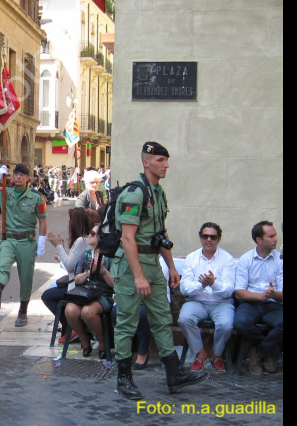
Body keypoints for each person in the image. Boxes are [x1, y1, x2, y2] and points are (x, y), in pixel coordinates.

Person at [112, 142, 206, 400]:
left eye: (166, 160)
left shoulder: (158, 193)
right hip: (131, 267)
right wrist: (139, 275)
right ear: (146, 162)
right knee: (127, 323)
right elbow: (128, 239)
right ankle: (124, 378)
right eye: (160, 160)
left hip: (153, 264)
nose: (166, 165)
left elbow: (160, 233)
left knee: (163, 319)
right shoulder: (134, 193)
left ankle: (174, 375)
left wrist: (172, 266)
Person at [0, 164, 48, 327]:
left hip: (27, 242)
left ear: (27, 178)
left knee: (26, 278)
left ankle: (23, 312)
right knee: (3, 266)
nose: (18, 177)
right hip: (8, 239)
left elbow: (43, 221)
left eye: (21, 175)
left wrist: (42, 242)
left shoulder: (37, 197)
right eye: (15, 174)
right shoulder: (4, 192)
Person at [179, 222, 236, 372]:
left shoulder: (227, 259)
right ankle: (200, 352)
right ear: (200, 237)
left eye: (213, 237)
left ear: (219, 239)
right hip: (197, 301)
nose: (209, 239)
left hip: (221, 303)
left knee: (226, 325)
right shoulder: (192, 258)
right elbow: (184, 287)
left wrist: (214, 284)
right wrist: (202, 285)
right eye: (205, 236)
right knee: (184, 319)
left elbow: (229, 290)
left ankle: (216, 353)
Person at [234, 221, 283, 375]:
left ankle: (259, 353)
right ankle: (269, 351)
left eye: (275, 235)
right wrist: (261, 296)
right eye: (271, 236)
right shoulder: (245, 259)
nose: (276, 239)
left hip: (272, 304)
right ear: (259, 240)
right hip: (250, 303)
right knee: (241, 322)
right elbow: (239, 292)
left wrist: (272, 295)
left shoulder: (280, 260)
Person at [41, 208, 94, 342]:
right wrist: (62, 251)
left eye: (70, 220)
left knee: (47, 296)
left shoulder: (82, 241)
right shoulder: (83, 240)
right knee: (52, 293)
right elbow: (72, 263)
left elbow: (70, 266)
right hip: (76, 282)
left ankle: (72, 327)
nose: (69, 223)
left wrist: (58, 246)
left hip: (77, 286)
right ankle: (68, 327)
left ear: (75, 223)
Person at [65, 225, 115, 359]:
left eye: (93, 233)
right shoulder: (85, 255)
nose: (89, 235)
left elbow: (114, 284)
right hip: (86, 293)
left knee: (87, 312)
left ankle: (102, 342)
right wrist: (89, 272)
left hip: (104, 294)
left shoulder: (111, 256)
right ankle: (85, 340)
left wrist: (102, 270)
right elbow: (77, 279)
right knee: (70, 310)